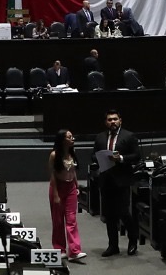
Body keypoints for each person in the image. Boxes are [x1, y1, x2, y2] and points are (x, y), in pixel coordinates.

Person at [93, 110, 140, 256]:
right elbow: (93, 154)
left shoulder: (129, 136)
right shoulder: (100, 137)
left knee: (124, 212)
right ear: (105, 122)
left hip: (122, 180)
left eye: (115, 119)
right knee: (109, 215)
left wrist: (120, 158)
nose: (112, 122)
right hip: (106, 180)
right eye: (109, 120)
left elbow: (136, 156)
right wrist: (99, 159)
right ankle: (113, 245)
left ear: (120, 120)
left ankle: (133, 241)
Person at [48, 129, 85, 262]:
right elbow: (53, 176)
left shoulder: (72, 153)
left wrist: (76, 186)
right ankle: (59, 249)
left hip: (70, 188)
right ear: (63, 140)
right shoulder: (54, 155)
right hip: (58, 188)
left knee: (71, 219)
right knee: (58, 220)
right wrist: (56, 195)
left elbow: (73, 172)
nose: (73, 139)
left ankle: (74, 250)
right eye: (70, 137)